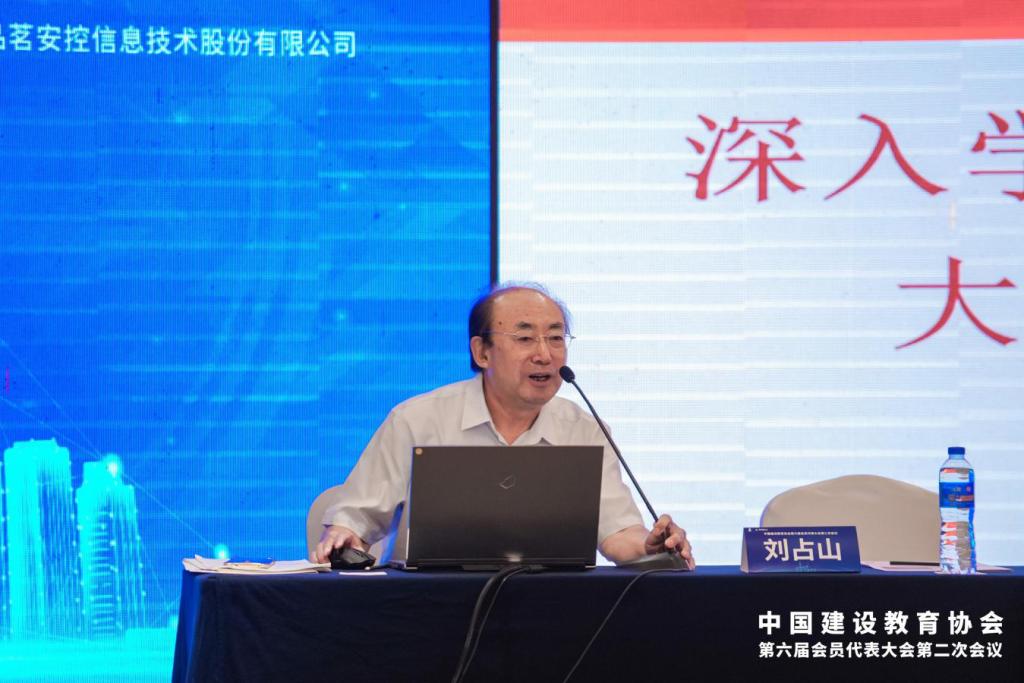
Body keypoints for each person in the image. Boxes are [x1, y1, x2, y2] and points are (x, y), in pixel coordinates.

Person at [312, 283, 695, 568]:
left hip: (554, 611)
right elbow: (356, 518)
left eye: (556, 338)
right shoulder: (417, 419)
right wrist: (345, 534)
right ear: (482, 352)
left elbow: (617, 532)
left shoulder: (585, 429)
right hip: (429, 608)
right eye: (525, 338)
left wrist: (650, 546)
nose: (544, 355)